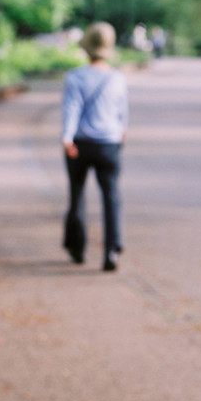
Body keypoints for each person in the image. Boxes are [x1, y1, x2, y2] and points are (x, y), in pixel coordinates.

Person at [61, 21, 129, 272]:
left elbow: (72, 109)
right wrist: (121, 134)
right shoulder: (118, 78)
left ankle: (77, 248)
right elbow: (123, 113)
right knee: (111, 196)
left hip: (79, 143)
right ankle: (112, 249)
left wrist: (66, 137)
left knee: (77, 194)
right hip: (109, 142)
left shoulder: (75, 77)